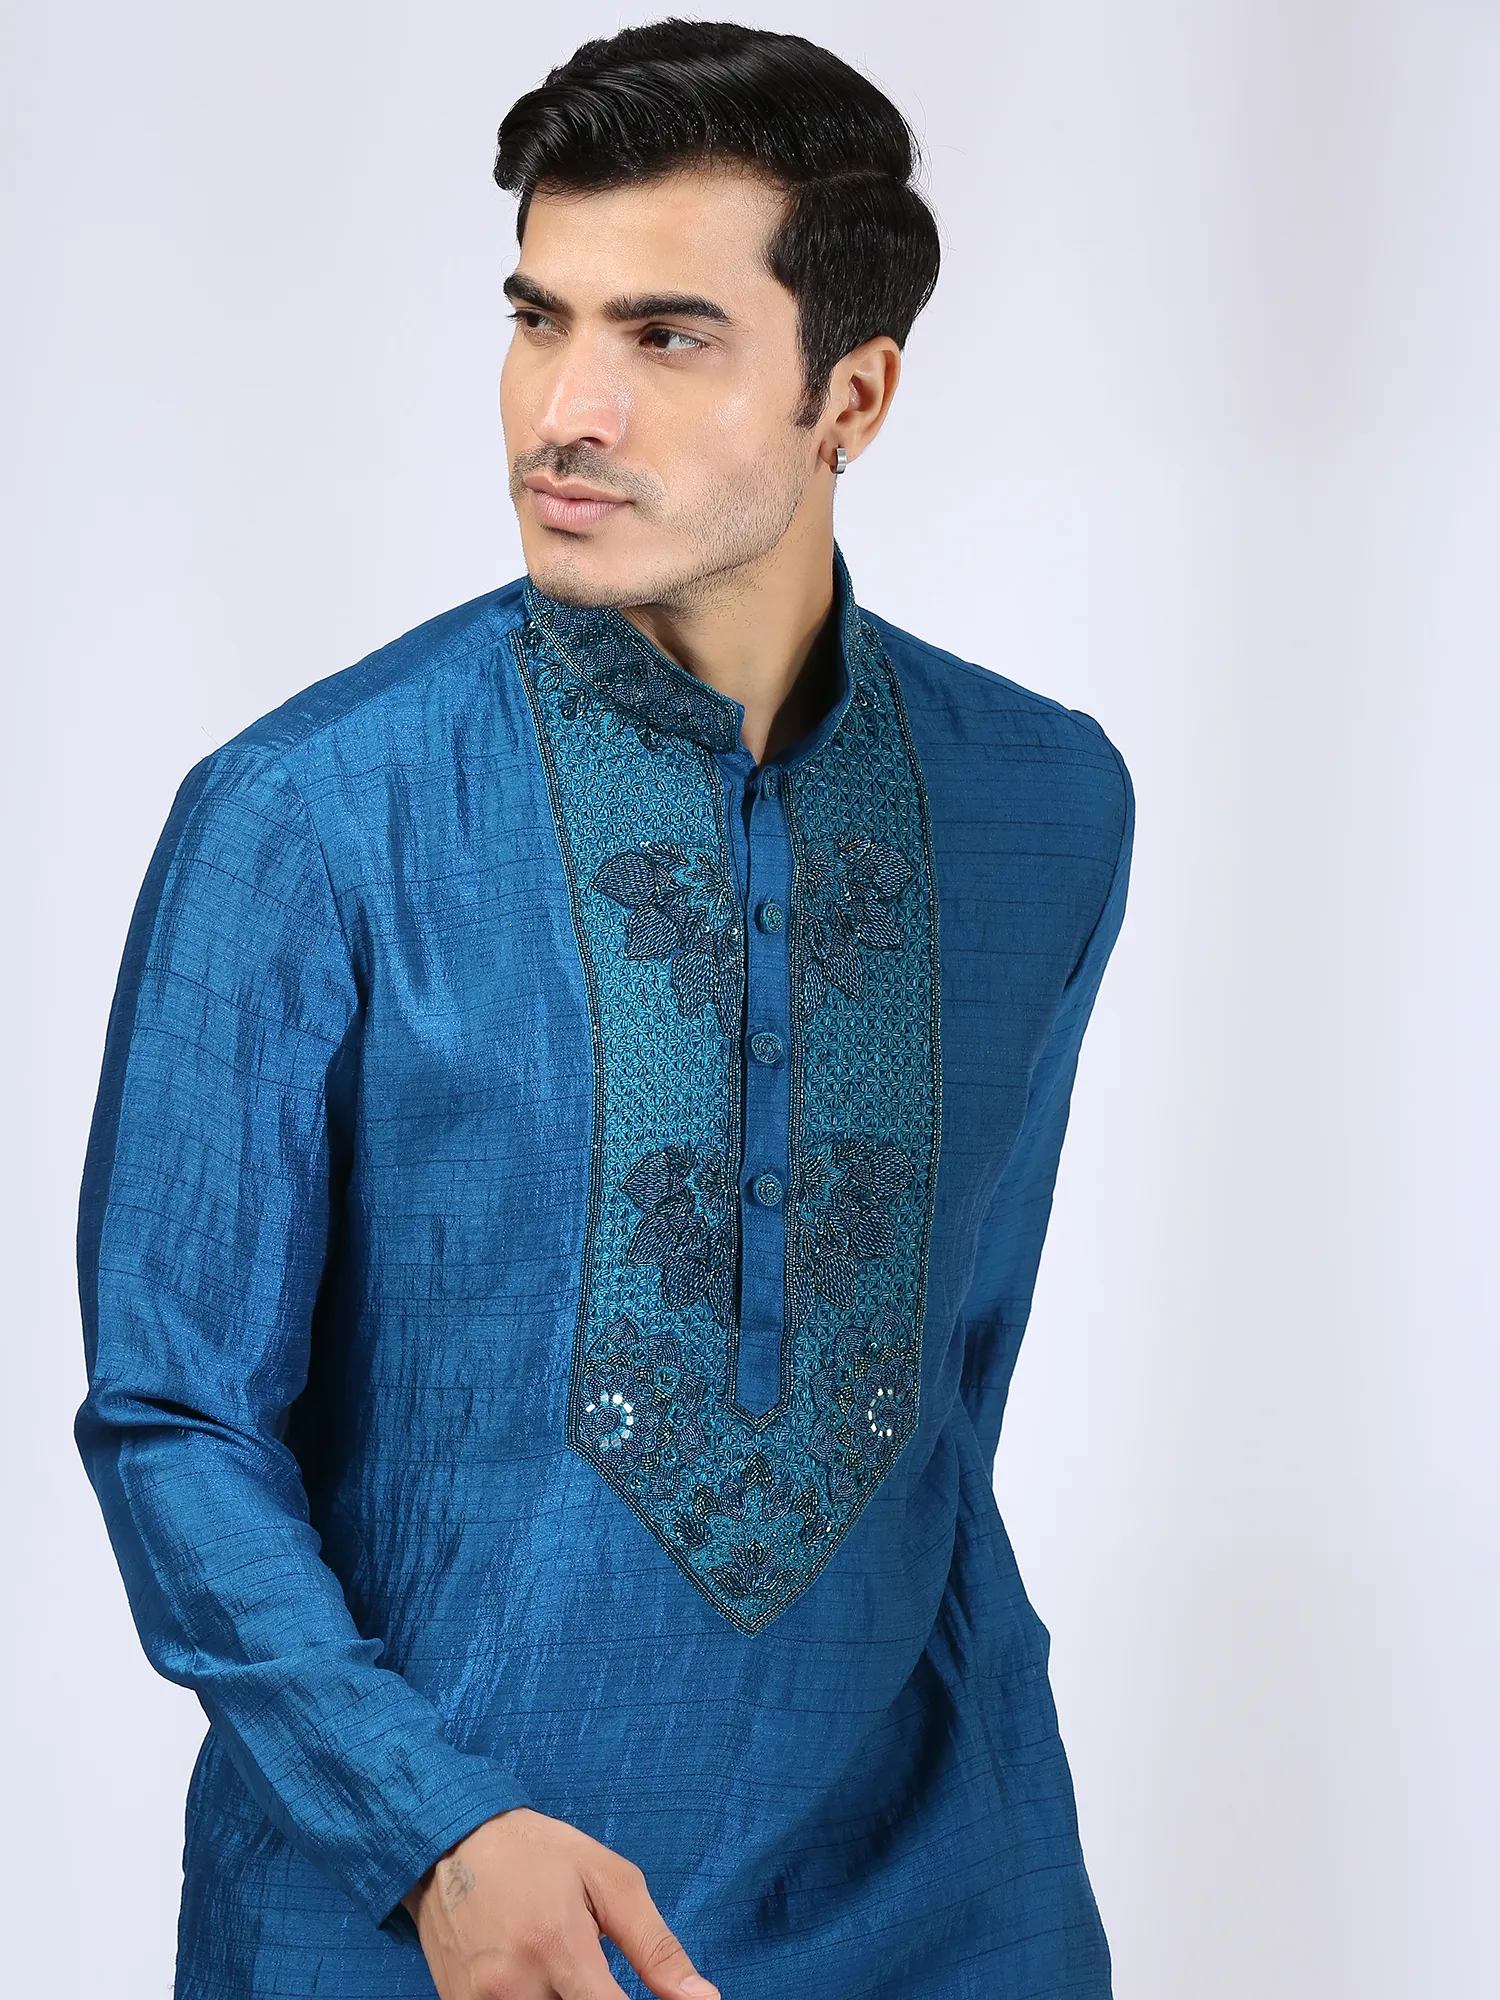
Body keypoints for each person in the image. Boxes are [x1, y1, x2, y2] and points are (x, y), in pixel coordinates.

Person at [75, 20, 1133, 2000]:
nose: (565, 408)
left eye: (665, 336)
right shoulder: (311, 814)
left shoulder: (1043, 804)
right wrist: (429, 1828)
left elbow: (946, 1389)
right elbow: (176, 1419)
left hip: (939, 1907)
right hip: (419, 1920)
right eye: (535, 316)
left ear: (852, 393)